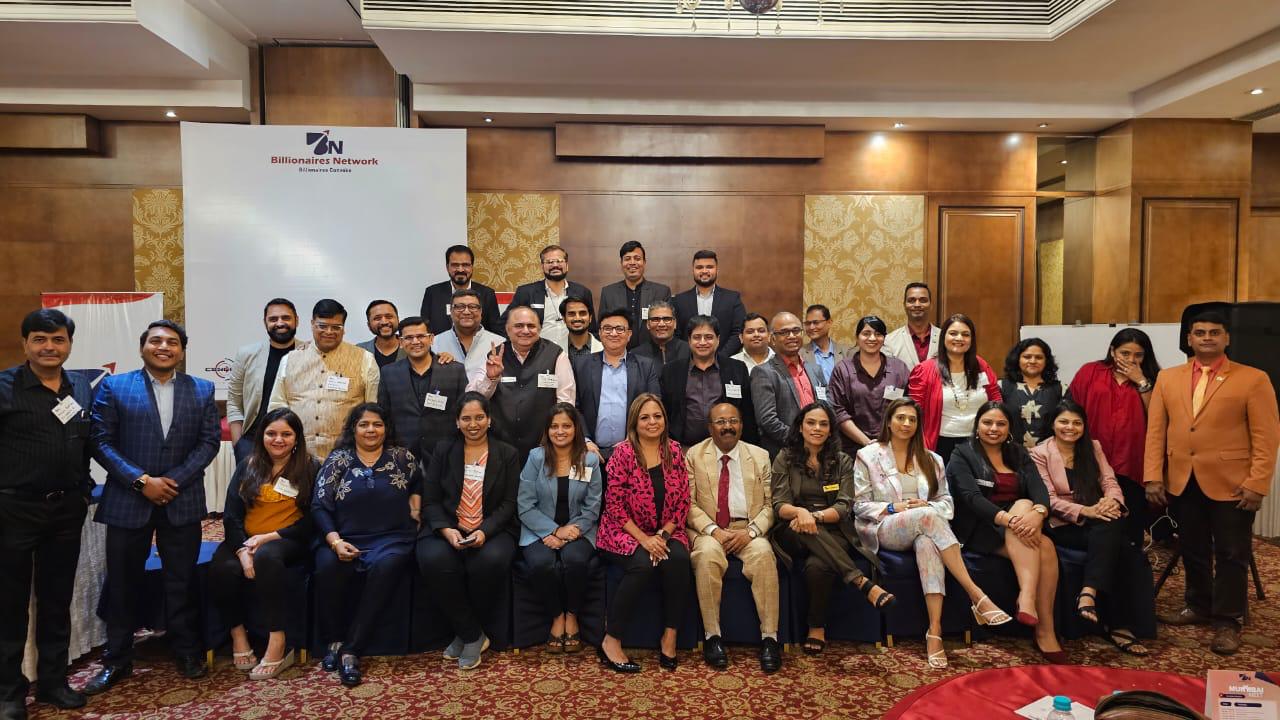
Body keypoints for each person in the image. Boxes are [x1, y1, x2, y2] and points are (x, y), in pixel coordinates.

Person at [85, 320, 222, 693]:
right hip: (129, 498)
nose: (164, 347)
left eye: (173, 342)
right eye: (156, 341)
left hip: (181, 497)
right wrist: (141, 481)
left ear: (182, 350)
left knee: (181, 579)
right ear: (143, 347)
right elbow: (100, 440)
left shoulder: (202, 389)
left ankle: (185, 649)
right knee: (123, 581)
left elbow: (209, 442)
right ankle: (117, 657)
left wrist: (172, 480)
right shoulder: (115, 386)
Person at [1144, 311, 1279, 656]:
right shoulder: (1167, 378)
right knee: (1193, 548)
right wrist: (1153, 476)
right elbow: (1156, 432)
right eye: (1200, 332)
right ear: (1189, 339)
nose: (1207, 337)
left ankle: (1228, 620)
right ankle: (1198, 605)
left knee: (1232, 553)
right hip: (1182, 480)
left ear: (1226, 338)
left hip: (1233, 483)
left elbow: (1266, 437)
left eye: (1214, 332)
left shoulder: (1253, 379)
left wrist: (1257, 483)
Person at [853, 398, 1012, 669]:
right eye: (900, 418)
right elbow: (859, 505)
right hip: (884, 527)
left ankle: (935, 631)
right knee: (927, 518)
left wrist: (926, 504)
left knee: (927, 542)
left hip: (924, 526)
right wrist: (893, 507)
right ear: (888, 421)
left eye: (912, 419)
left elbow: (947, 503)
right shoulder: (867, 455)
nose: (906, 424)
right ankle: (976, 595)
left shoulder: (932, 459)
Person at [0, 309, 95, 716]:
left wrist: (84, 489)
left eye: (58, 339)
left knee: (57, 601)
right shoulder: (4, 387)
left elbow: (87, 441)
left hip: (66, 511)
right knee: (9, 604)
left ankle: (54, 682)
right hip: (14, 510)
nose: (49, 347)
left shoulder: (80, 387)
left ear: (69, 344)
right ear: (25, 344)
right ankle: (8, 692)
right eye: (40, 339)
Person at [772, 402, 895, 655]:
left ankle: (816, 627)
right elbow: (779, 505)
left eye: (823, 424)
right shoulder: (785, 457)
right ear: (800, 427)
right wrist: (800, 513)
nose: (817, 428)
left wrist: (813, 516)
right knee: (801, 529)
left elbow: (843, 506)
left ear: (830, 430)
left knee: (818, 566)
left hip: (833, 529)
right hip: (791, 529)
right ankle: (861, 582)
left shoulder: (842, 461)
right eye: (811, 423)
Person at [312, 403, 421, 686]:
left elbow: (419, 484)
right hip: (343, 538)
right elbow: (319, 506)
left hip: (392, 538)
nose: (371, 430)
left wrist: (415, 506)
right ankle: (334, 640)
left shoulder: (402, 457)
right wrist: (335, 541)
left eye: (377, 424)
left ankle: (351, 648)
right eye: (364, 424)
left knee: (387, 567)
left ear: (386, 428)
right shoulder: (338, 460)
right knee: (327, 566)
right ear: (353, 429)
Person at [948, 402, 1065, 663]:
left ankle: (1034, 611)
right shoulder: (962, 453)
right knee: (1043, 544)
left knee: (1027, 509)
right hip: (980, 526)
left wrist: (1039, 513)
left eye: (1001, 424)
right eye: (987, 423)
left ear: (1009, 428)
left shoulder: (1018, 453)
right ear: (977, 425)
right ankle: (1039, 621)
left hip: (1019, 522)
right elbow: (971, 498)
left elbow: (1039, 490)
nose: (994, 428)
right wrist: (1011, 520)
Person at [1031, 400, 1149, 656]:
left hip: (1099, 518)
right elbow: (1048, 499)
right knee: (1120, 543)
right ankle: (1118, 626)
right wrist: (1086, 511)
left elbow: (1110, 482)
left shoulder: (1093, 447)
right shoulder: (1040, 453)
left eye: (1077, 423)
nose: (1070, 427)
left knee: (1121, 541)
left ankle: (1088, 593)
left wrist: (1112, 502)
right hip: (1065, 524)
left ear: (1084, 426)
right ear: (1053, 424)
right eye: (1064, 422)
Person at [209, 408, 318, 680]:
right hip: (246, 539)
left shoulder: (310, 467)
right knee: (222, 567)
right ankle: (238, 635)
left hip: (286, 539)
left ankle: (277, 639)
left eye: (286, 434)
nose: (278, 440)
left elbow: (312, 519)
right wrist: (242, 551)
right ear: (262, 436)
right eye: (271, 433)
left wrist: (269, 537)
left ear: (297, 438)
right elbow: (232, 515)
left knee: (267, 557)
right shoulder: (248, 465)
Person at [419, 392, 521, 670]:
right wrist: (446, 530)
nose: (473, 424)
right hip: (450, 526)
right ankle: (472, 633)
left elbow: (509, 503)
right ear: (457, 422)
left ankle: (465, 634)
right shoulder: (443, 450)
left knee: (488, 561)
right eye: (466, 418)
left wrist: (484, 531)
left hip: (492, 528)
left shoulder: (507, 453)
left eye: (479, 417)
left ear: (489, 420)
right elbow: (431, 501)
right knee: (433, 559)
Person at [596, 394, 692, 673]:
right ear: (634, 422)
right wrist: (645, 540)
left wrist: (663, 536)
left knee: (678, 559)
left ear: (665, 420)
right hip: (623, 530)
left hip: (666, 531)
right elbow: (614, 506)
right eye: (645, 417)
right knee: (643, 563)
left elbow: (683, 501)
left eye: (657, 416)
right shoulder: (622, 454)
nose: (652, 422)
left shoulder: (675, 451)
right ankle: (611, 639)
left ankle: (669, 636)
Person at [685, 403, 781, 673]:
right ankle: (712, 637)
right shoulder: (694, 455)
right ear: (709, 427)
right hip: (709, 529)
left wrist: (750, 532)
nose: (727, 426)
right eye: (720, 422)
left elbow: (770, 505)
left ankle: (770, 638)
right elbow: (688, 503)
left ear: (741, 425)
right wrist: (713, 530)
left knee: (764, 556)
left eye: (733, 421)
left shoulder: (760, 456)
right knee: (706, 556)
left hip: (747, 528)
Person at [516, 403, 603, 654]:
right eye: (554, 426)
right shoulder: (536, 458)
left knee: (575, 561)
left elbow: (593, 506)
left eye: (566, 425)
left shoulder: (588, 460)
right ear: (547, 430)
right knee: (541, 564)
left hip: (579, 530)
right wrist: (553, 531)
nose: (560, 431)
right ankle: (557, 616)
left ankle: (572, 615)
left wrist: (568, 534)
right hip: (538, 530)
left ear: (576, 429)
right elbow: (525, 504)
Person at [1067, 328, 1161, 544]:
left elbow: (1158, 417)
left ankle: (1130, 560)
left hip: (1133, 461)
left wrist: (1141, 382)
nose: (1131, 360)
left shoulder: (1154, 379)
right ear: (1112, 351)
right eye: (1125, 353)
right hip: (1091, 458)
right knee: (1096, 521)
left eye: (1138, 355)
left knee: (1129, 522)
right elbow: (1070, 410)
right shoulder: (1090, 371)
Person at [268, 299, 380, 460]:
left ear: (344, 328)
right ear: (312, 324)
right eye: (322, 326)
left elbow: (372, 410)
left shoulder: (365, 360)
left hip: (347, 456)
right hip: (298, 456)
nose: (329, 331)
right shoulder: (290, 359)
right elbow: (277, 406)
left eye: (336, 327)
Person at [468, 306, 575, 462]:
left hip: (543, 446)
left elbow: (566, 401)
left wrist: (557, 436)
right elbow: (473, 398)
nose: (525, 331)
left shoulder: (556, 354)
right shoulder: (494, 355)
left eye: (531, 326)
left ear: (539, 329)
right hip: (500, 446)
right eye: (519, 326)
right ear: (508, 329)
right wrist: (490, 378)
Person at [907, 313, 1002, 462]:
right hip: (940, 445)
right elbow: (913, 411)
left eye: (965, 334)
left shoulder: (981, 365)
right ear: (943, 337)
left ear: (971, 340)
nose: (959, 338)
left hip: (980, 442)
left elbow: (995, 399)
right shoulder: (925, 370)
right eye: (953, 333)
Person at [571, 309, 661, 463]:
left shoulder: (645, 366)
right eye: (607, 328)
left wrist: (634, 438)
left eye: (619, 329)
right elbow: (574, 406)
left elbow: (654, 406)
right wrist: (584, 440)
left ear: (629, 334)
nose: (613, 333)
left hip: (633, 451)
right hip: (590, 451)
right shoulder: (581, 365)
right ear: (600, 333)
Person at [377, 316, 469, 463]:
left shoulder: (454, 370)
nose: (415, 342)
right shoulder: (389, 373)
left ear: (431, 338)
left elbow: (464, 412)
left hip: (445, 455)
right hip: (402, 455)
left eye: (420, 336)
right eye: (409, 338)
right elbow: (384, 415)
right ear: (401, 342)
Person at [226, 298, 304, 462]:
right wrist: (238, 444)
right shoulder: (246, 354)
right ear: (265, 323)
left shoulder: (309, 353)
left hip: (297, 442)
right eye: (273, 319)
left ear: (296, 320)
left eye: (286, 318)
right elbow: (234, 401)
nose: (280, 323)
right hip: (253, 442)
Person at [663, 315, 756, 447]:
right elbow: (667, 412)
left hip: (727, 448)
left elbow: (747, 412)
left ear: (718, 340)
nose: (702, 342)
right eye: (697, 337)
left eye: (708, 337)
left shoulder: (736, 369)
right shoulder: (671, 371)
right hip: (683, 448)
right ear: (689, 340)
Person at [829, 315, 912, 455]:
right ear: (857, 337)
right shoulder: (843, 369)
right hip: (852, 448)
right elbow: (838, 411)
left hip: (893, 445)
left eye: (878, 334)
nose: (872, 338)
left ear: (884, 338)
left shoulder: (899, 368)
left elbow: (908, 406)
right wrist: (867, 443)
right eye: (866, 333)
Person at [751, 312, 824, 457]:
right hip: (786, 454)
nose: (791, 336)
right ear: (773, 339)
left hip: (819, 451)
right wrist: (802, 440)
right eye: (784, 332)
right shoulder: (763, 372)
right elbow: (767, 420)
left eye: (796, 330)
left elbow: (827, 405)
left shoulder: (815, 369)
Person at [508, 244, 594, 351]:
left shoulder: (582, 292)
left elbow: (592, 328)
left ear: (567, 265)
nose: (555, 265)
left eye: (559, 261)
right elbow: (505, 324)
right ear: (542, 266)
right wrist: (519, 348)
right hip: (538, 354)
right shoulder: (526, 292)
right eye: (549, 262)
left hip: (574, 352)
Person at [673, 250, 747, 357]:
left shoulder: (732, 298)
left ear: (717, 270)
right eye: (699, 267)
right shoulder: (679, 300)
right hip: (688, 362)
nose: (704, 271)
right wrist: (691, 358)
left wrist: (720, 358)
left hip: (724, 361)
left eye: (709, 267)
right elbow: (675, 334)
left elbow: (739, 332)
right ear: (693, 270)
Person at [599, 241, 671, 350]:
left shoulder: (661, 292)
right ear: (621, 263)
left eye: (637, 258)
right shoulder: (608, 293)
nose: (632, 263)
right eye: (627, 259)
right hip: (618, 354)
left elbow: (668, 328)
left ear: (644, 262)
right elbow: (601, 328)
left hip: (652, 354)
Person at [419, 244, 503, 336]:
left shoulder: (487, 294)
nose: (460, 269)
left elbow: (495, 332)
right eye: (455, 265)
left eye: (465, 265)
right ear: (447, 267)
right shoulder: (432, 293)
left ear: (472, 267)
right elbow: (425, 331)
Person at [1000, 338, 1063, 449]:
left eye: (1039, 357)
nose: (1033, 361)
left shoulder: (1061, 389)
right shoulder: (1001, 387)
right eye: (1027, 357)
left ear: (1046, 361)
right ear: (1017, 359)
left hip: (1049, 454)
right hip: (1010, 453)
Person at [433, 288, 506, 381]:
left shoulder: (500, 343)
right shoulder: (434, 343)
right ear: (450, 311)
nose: (466, 312)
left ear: (481, 311)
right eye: (459, 307)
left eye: (473, 307)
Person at [884, 282, 939, 371]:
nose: (917, 305)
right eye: (911, 300)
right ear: (904, 305)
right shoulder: (889, 341)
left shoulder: (945, 338)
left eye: (923, 300)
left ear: (931, 305)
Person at [632, 301, 691, 369]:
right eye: (655, 319)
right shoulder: (636, 355)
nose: (661, 324)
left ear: (675, 323)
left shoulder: (689, 351)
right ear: (648, 324)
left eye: (667, 319)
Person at [800, 304, 845, 384]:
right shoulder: (800, 354)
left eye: (816, 322)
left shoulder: (848, 353)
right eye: (808, 323)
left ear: (829, 322)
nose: (811, 327)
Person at [356, 300, 406, 368]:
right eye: (377, 318)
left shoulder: (411, 347)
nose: (384, 322)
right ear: (369, 325)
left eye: (389, 317)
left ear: (398, 320)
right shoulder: (359, 350)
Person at [562, 296, 603, 360]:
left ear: (590, 318)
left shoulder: (604, 349)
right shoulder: (554, 350)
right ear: (564, 319)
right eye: (571, 314)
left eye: (582, 313)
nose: (577, 318)